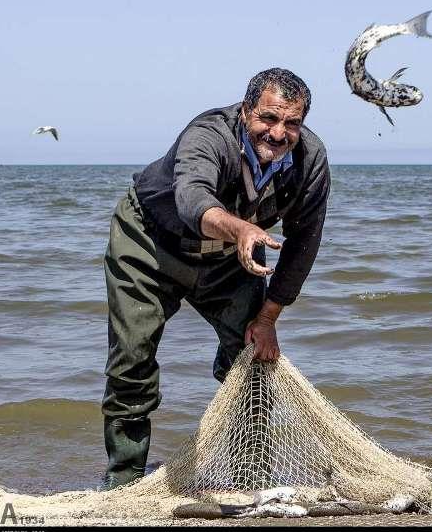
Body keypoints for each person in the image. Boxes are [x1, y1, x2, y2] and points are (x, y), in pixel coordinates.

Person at [99, 68, 331, 490]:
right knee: (132, 358)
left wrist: (268, 317)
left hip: (230, 259)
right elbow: (191, 199)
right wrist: (241, 228)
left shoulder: (310, 160)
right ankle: (123, 481)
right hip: (151, 241)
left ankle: (249, 478)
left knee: (253, 358)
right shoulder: (208, 136)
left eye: (292, 123)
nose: (279, 133)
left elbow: (305, 242)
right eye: (268, 118)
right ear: (245, 112)